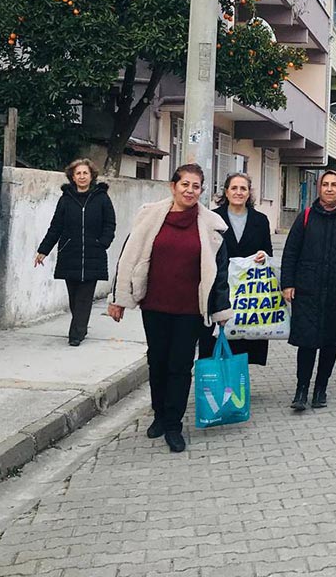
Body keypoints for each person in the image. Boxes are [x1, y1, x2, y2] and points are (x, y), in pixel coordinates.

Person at [108, 164, 231, 453]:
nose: (190, 190)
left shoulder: (211, 224)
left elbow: (219, 272)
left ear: (202, 190)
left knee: (180, 366)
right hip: (155, 305)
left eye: (196, 186)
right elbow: (129, 256)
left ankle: (174, 425)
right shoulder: (150, 216)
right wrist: (119, 298)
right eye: (185, 184)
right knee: (158, 362)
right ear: (173, 186)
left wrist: (221, 310)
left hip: (191, 309)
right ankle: (160, 415)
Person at [280, 170, 336, 411]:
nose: (329, 189)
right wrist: (288, 283)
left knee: (330, 342)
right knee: (306, 342)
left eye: (334, 185)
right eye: (325, 184)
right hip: (307, 290)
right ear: (319, 188)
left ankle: (320, 389)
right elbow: (290, 253)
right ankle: (301, 389)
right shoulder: (305, 217)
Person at [35, 158, 116, 347]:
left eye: (85, 173)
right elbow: (56, 226)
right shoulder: (66, 199)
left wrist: (102, 243)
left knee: (84, 297)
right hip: (69, 253)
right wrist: (43, 250)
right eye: (78, 173)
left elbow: (110, 224)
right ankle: (81, 326)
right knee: (74, 297)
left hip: (93, 253)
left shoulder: (102, 197)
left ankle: (76, 334)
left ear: (91, 176)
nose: (81, 176)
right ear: (72, 176)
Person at [210, 173, 273, 366]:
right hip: (218, 287)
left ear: (248, 193)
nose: (238, 192)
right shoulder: (213, 218)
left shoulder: (260, 220)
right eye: (234, 188)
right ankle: (219, 382)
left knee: (245, 340)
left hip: (248, 292)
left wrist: (263, 256)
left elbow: (267, 251)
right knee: (216, 338)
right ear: (226, 192)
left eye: (243, 188)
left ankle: (238, 381)